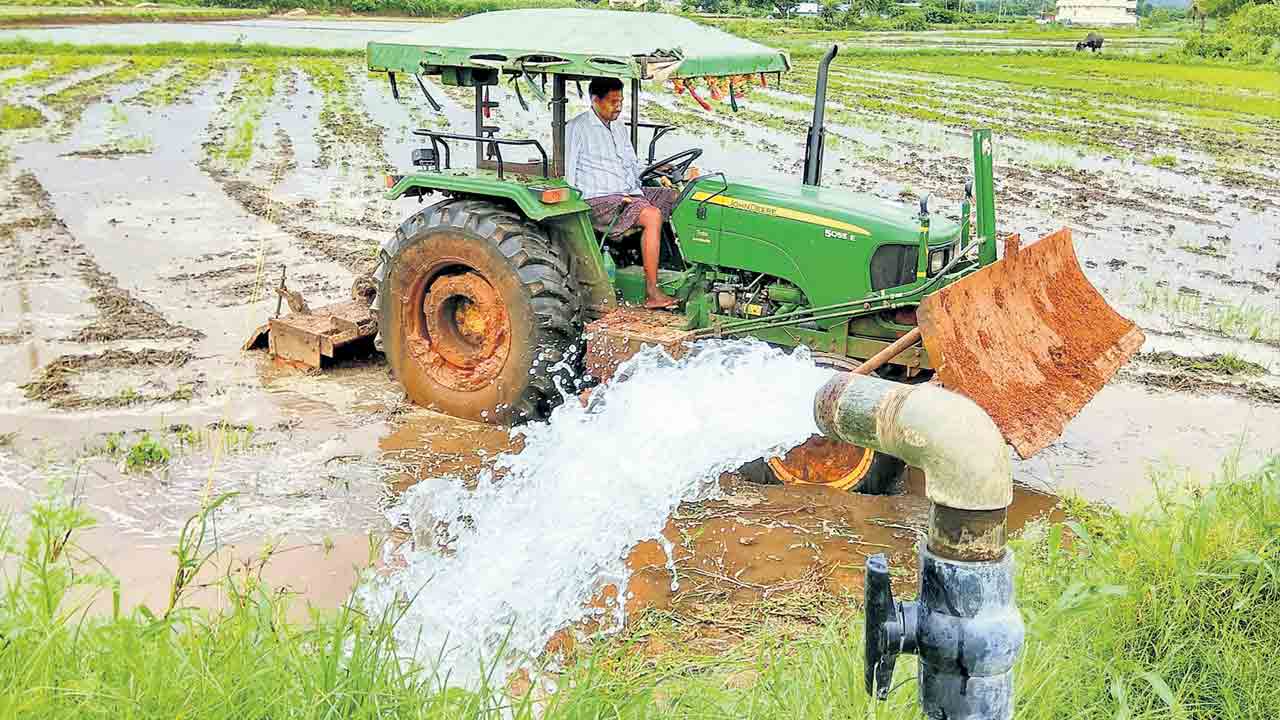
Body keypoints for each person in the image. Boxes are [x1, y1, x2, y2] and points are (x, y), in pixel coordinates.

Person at [564, 77, 681, 309]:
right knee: (651, 215)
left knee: (677, 198)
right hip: (598, 200)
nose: (618, 107)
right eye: (613, 102)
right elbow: (568, 173)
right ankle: (652, 292)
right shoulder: (576, 128)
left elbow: (631, 164)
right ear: (595, 100)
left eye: (621, 101)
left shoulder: (618, 126)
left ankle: (679, 267)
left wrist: (656, 169)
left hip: (629, 192)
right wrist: (582, 204)